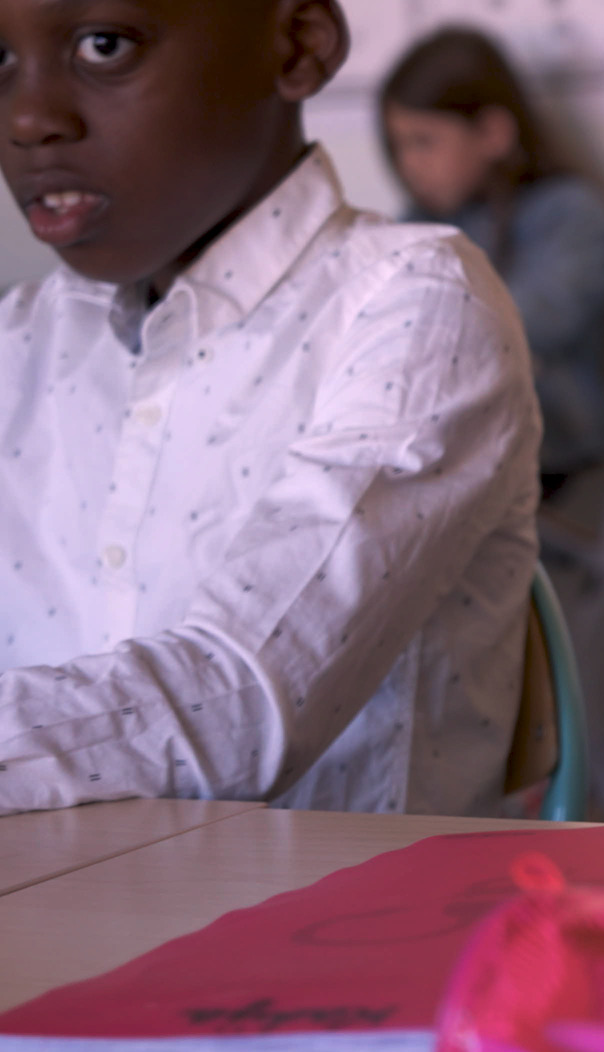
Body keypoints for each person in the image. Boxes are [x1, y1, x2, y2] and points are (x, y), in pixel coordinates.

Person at [0, 0, 541, 816]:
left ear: (297, 45)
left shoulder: (417, 301)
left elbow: (237, 704)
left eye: (104, 46)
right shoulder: (21, 338)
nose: (29, 118)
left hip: (333, 897)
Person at [380, 27, 604, 499]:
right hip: (447, 421)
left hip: (549, 424)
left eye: (424, 142)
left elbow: (522, 324)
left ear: (493, 133)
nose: (408, 164)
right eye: (399, 146)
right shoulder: (421, 220)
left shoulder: (570, 212)